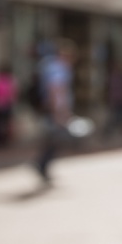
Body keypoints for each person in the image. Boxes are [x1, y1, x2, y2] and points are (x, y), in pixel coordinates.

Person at [34, 40, 76, 183]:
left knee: (52, 139)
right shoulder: (58, 68)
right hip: (54, 110)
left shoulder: (50, 66)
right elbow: (56, 89)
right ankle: (42, 164)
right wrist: (60, 112)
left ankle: (43, 165)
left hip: (51, 109)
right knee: (55, 139)